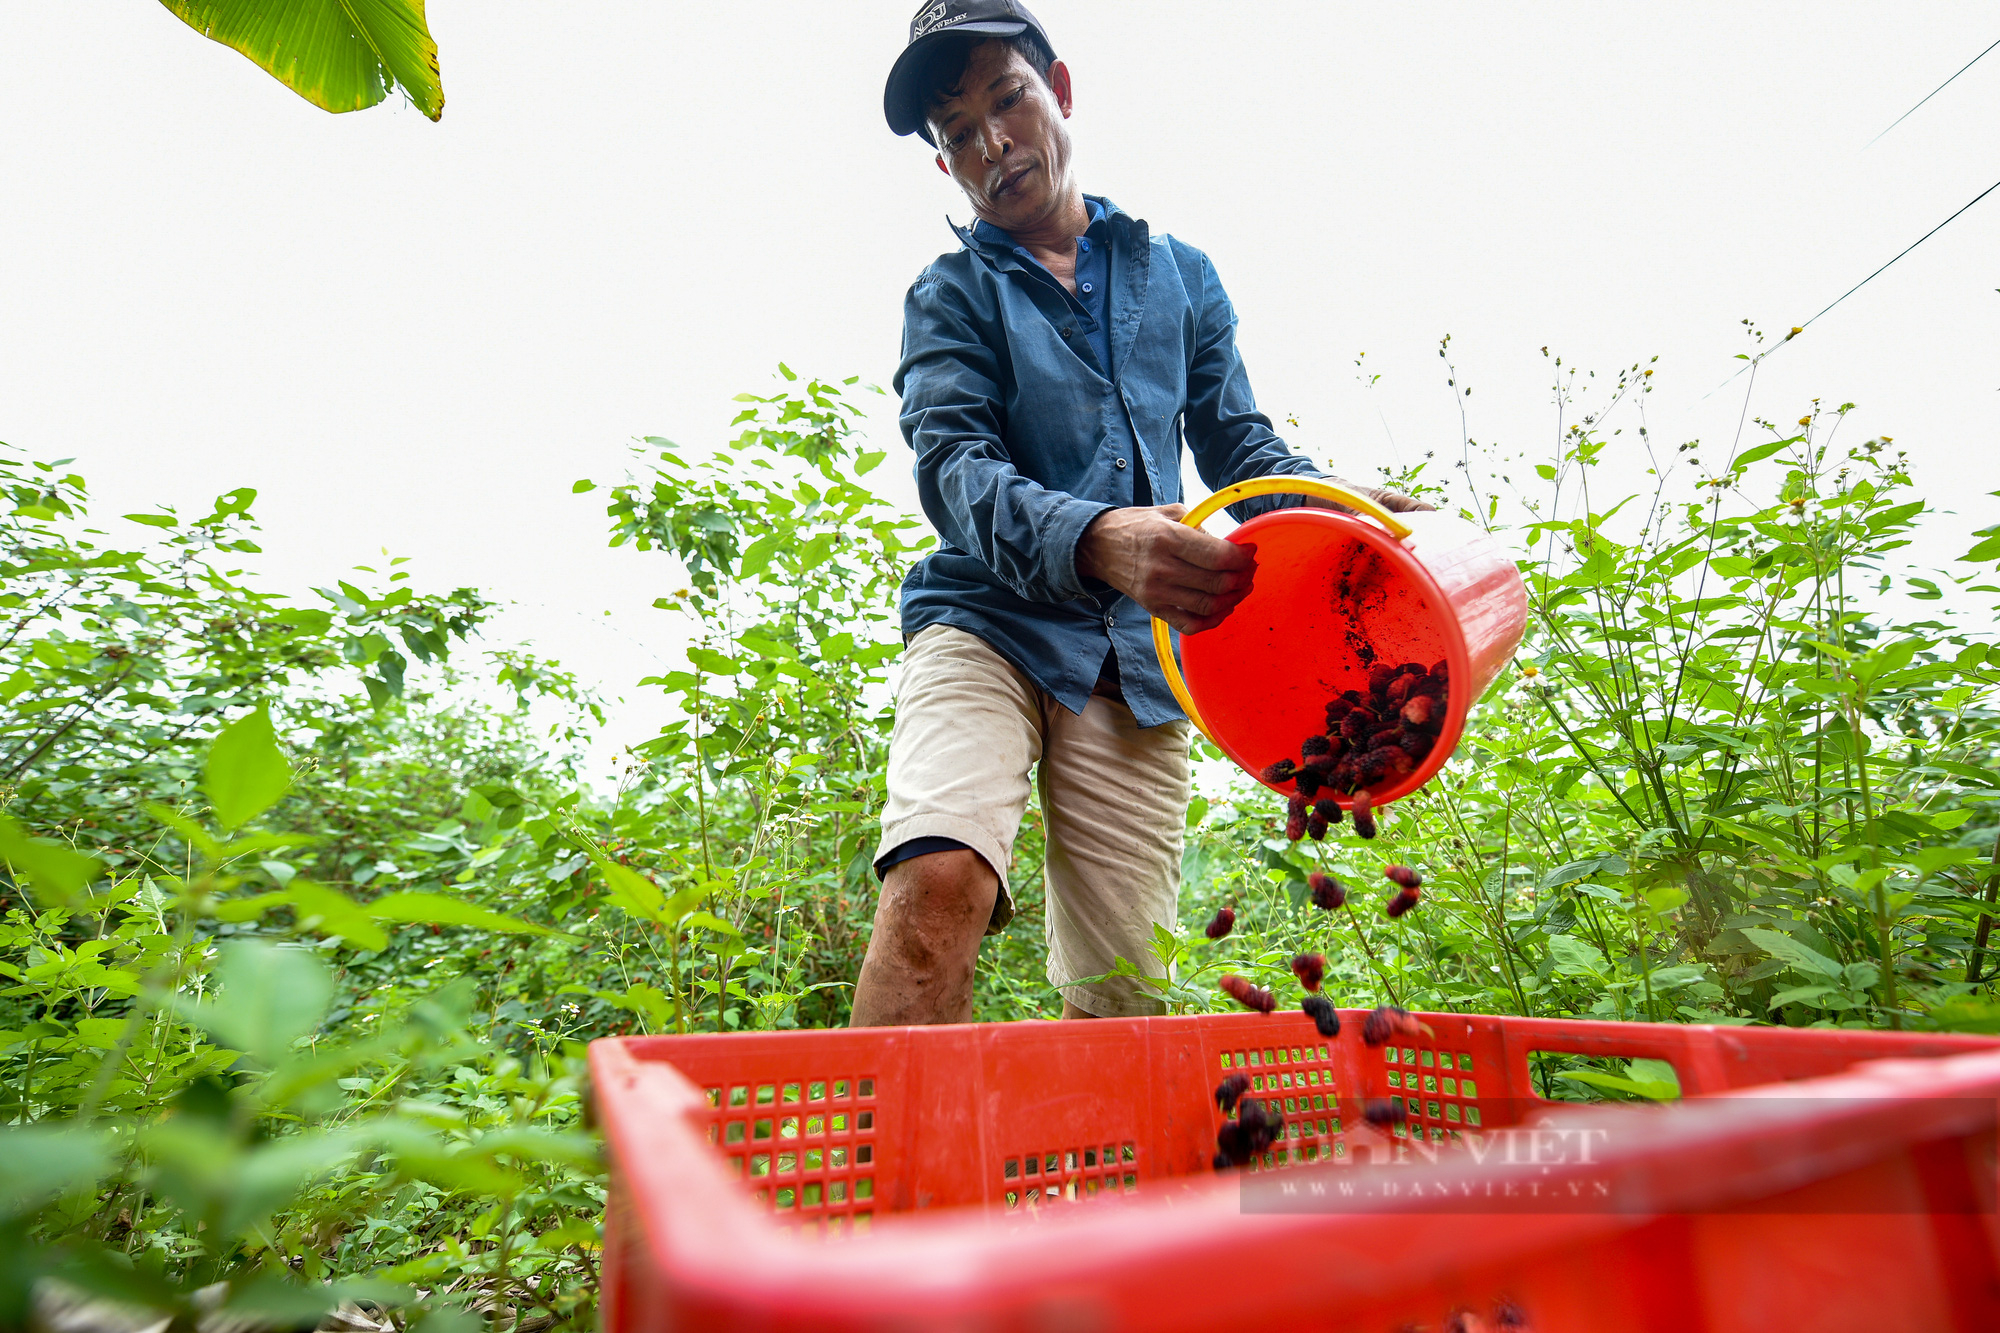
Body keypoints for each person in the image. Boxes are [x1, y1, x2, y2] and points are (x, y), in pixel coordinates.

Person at [849, 0, 1426, 1026]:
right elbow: (952, 469)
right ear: (944, 168)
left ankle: (1094, 1184)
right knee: (938, 880)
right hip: (984, 621)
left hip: (1133, 657)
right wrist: (1094, 535)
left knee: (1121, 997)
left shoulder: (1179, 276)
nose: (993, 144)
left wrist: (1333, 506)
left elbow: (1238, 446)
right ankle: (876, 1178)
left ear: (1058, 91)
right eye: (958, 136)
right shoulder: (948, 297)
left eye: (1006, 100)